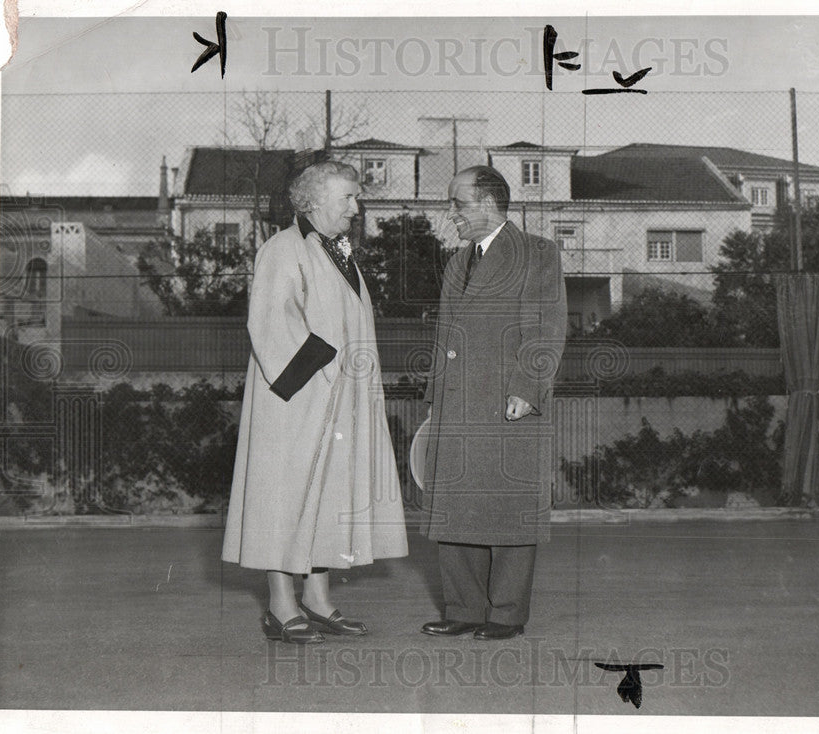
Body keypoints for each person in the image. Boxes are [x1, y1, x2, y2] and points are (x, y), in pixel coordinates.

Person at [222, 161, 408, 644]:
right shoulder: (282, 248)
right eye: (347, 197)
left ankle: (318, 599)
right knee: (282, 500)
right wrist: (328, 370)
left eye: (355, 197)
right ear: (313, 201)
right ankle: (280, 606)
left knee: (330, 496)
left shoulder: (341, 252)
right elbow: (270, 322)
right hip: (295, 400)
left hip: (340, 398)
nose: (356, 206)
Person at [419, 166, 567, 641]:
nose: (452, 214)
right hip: (456, 402)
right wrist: (434, 399)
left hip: (507, 399)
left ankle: (506, 613)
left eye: (458, 204)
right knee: (456, 508)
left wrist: (527, 388)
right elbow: (446, 338)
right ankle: (463, 607)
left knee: (507, 510)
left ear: (487, 203)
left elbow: (546, 329)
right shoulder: (457, 262)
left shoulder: (537, 253)